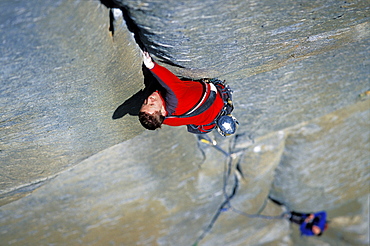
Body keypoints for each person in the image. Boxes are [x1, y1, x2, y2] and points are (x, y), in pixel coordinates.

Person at [139, 51, 237, 136]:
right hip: (216, 95)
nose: (148, 99)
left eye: (144, 103)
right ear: (163, 112)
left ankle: (220, 118)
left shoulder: (165, 119)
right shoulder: (177, 99)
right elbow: (169, 81)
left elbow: (155, 119)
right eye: (152, 104)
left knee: (196, 123)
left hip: (207, 119)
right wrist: (150, 65)